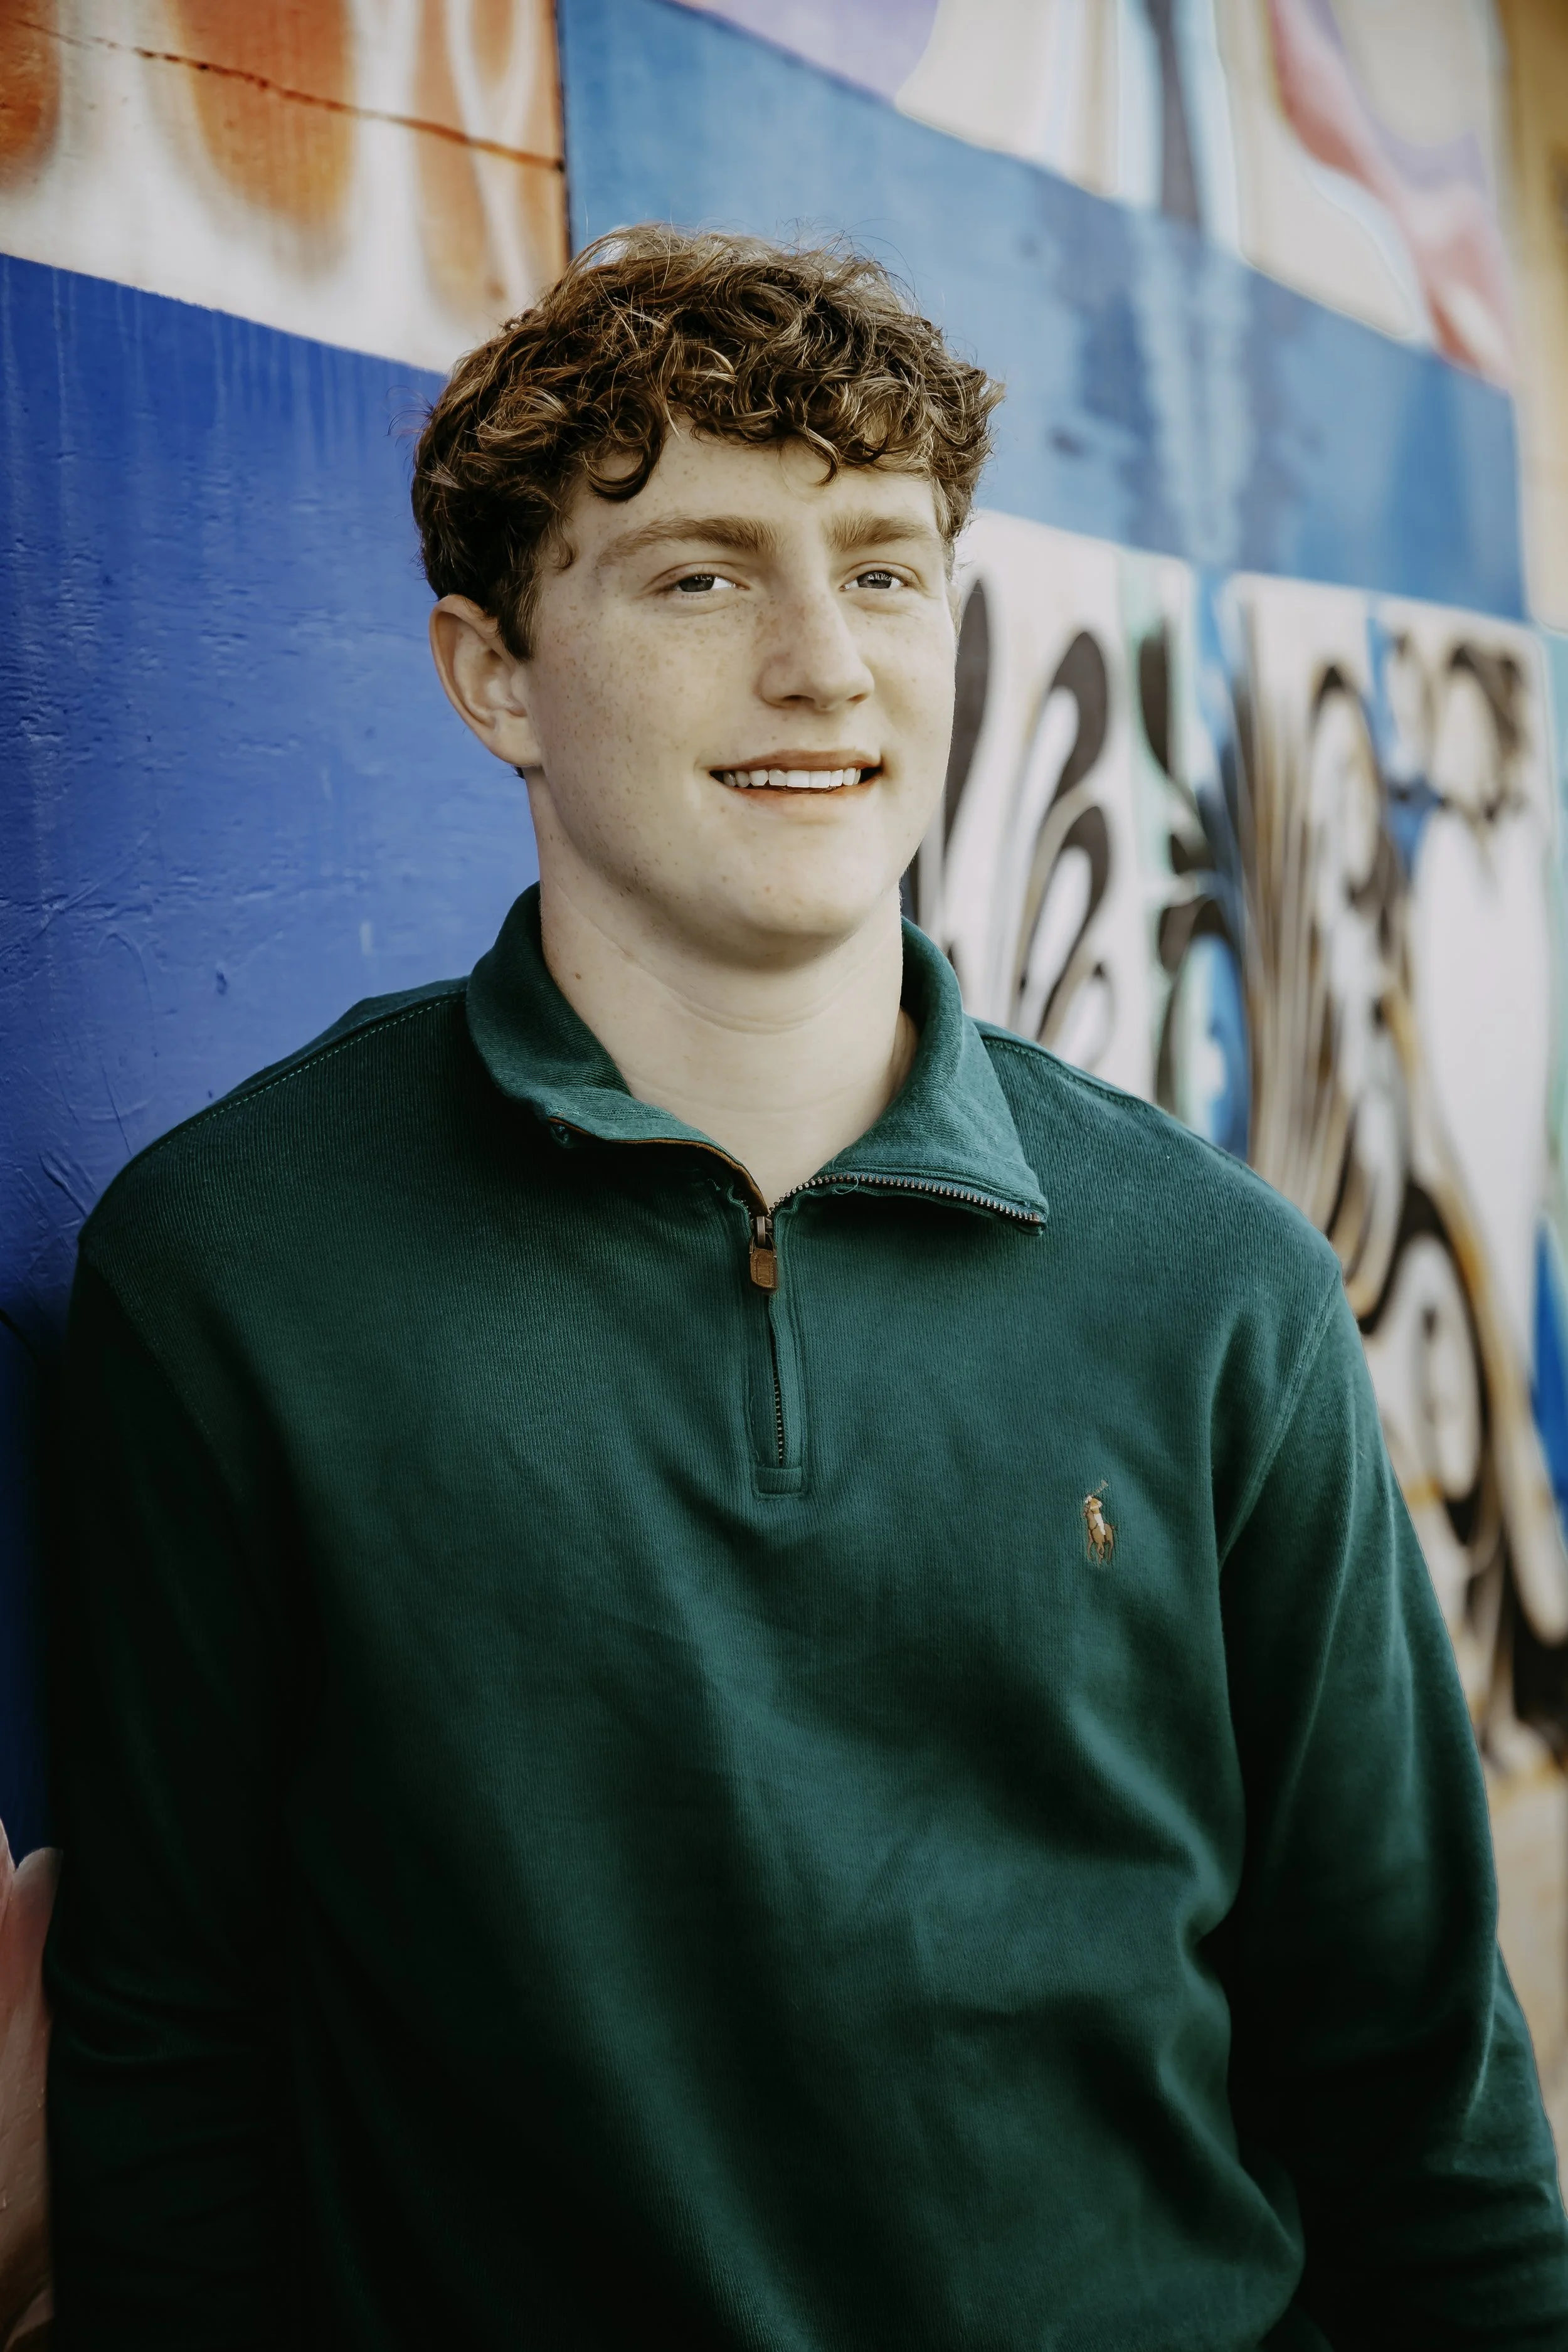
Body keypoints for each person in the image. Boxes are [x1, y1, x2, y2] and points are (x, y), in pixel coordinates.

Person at [45, 226, 1568, 2349]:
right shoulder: (237, 1271)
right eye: (696, 573)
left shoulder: (1216, 1282)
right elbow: (169, 2058)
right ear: (491, 671)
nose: (823, 663)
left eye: (880, 565)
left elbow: (1417, 2077)